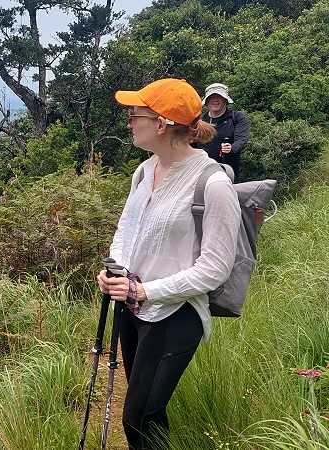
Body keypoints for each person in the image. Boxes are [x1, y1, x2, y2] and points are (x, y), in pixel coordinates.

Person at [97, 78, 241, 450]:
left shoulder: (213, 184)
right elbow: (127, 230)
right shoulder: (144, 172)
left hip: (176, 314)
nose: (130, 122)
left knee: (137, 418)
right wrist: (116, 270)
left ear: (161, 124)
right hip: (132, 308)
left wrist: (145, 290)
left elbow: (215, 268)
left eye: (135, 116)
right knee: (151, 413)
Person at [195, 83, 249, 181]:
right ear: (207, 100)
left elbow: (241, 140)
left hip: (228, 175)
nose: (215, 100)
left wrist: (231, 148)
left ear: (225, 100)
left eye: (219, 96)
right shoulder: (199, 120)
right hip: (200, 175)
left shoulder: (237, 117)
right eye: (212, 97)